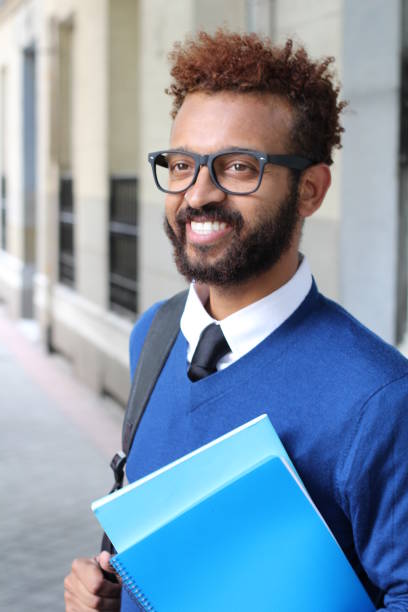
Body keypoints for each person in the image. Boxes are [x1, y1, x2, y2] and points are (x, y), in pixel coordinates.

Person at [64, 30, 408, 611]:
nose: (198, 194)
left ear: (311, 190)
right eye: (181, 164)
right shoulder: (155, 334)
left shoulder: (379, 400)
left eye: (239, 167)